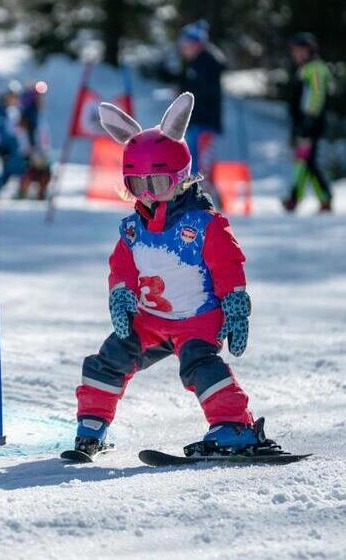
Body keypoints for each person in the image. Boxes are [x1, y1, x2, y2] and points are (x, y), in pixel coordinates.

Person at [71, 93, 280, 459]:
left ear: (180, 178)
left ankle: (233, 427)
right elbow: (122, 266)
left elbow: (227, 264)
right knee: (109, 359)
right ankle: (92, 425)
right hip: (150, 319)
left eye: (157, 184)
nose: (147, 195)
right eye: (136, 185)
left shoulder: (204, 225)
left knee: (200, 365)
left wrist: (234, 303)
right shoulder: (133, 229)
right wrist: (120, 293)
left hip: (198, 318)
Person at [283, 33, 333, 213]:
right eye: (294, 51)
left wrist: (309, 121)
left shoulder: (316, 68)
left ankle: (298, 198)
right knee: (305, 161)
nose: (295, 54)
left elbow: (317, 95)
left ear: (308, 50)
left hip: (311, 123)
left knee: (306, 160)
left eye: (299, 50)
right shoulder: (305, 68)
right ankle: (309, 198)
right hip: (304, 123)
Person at [178, 20, 225, 207]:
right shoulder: (196, 63)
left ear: (196, 43)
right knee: (193, 161)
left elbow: (206, 92)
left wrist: (188, 92)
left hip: (204, 121)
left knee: (200, 163)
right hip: (195, 120)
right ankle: (198, 196)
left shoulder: (207, 62)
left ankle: (205, 198)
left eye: (186, 44)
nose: (183, 48)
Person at [16, 81, 52, 200]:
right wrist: (32, 153)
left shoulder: (38, 118)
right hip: (29, 154)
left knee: (45, 172)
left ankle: (40, 194)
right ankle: (23, 194)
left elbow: (43, 138)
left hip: (37, 153)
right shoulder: (28, 119)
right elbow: (24, 137)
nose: (42, 101)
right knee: (28, 171)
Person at [0, 82, 28, 197]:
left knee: (10, 171)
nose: (15, 99)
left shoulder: (14, 110)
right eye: (12, 96)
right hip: (5, 146)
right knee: (12, 169)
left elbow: (18, 131)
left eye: (16, 97)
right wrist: (3, 147)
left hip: (12, 146)